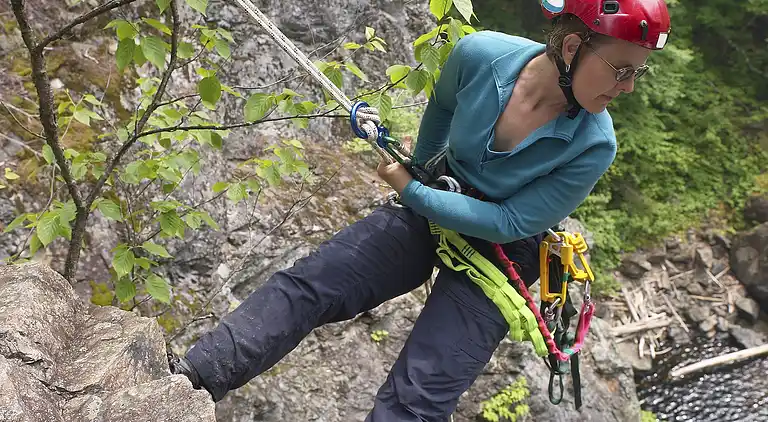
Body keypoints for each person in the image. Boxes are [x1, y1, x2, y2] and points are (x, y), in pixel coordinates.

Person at [170, 0, 671, 420]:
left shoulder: (594, 143)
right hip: (437, 195)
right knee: (313, 285)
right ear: (570, 46)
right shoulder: (479, 55)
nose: (628, 87)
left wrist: (415, 192)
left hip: (502, 249)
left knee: (419, 397)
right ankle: (192, 379)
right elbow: (441, 111)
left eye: (638, 71)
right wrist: (421, 170)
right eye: (622, 69)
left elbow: (513, 221)